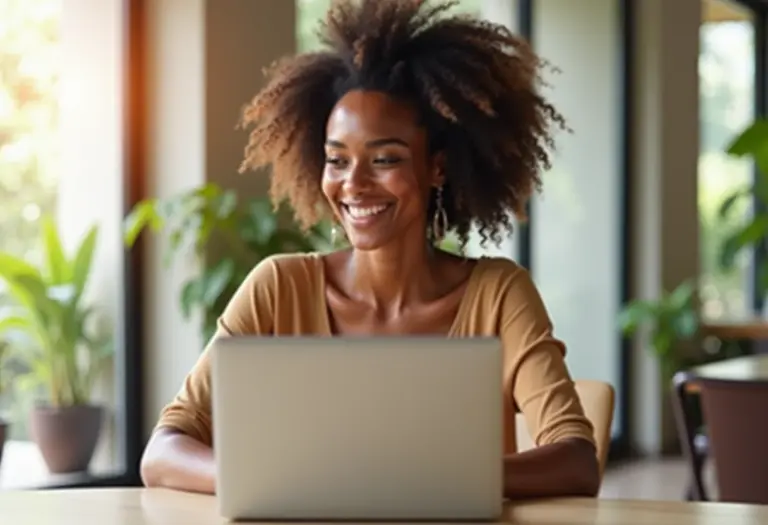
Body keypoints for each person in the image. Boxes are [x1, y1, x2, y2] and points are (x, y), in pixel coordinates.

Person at [140, 0, 600, 499]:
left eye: (384, 159)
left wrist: (435, 478)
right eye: (337, 160)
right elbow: (162, 452)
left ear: (437, 167)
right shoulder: (277, 288)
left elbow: (577, 461)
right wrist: (269, 479)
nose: (354, 184)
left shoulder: (498, 295)